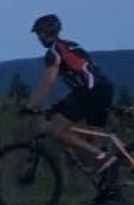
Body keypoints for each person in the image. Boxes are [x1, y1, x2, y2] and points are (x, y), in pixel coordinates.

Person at [24, 13, 116, 190]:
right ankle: (108, 189)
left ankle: (103, 157)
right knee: (94, 139)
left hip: (89, 92)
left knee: (57, 130)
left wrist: (32, 105)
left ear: (45, 34)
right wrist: (60, 105)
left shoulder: (53, 52)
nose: (38, 38)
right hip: (103, 88)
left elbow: (48, 81)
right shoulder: (72, 45)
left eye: (39, 34)